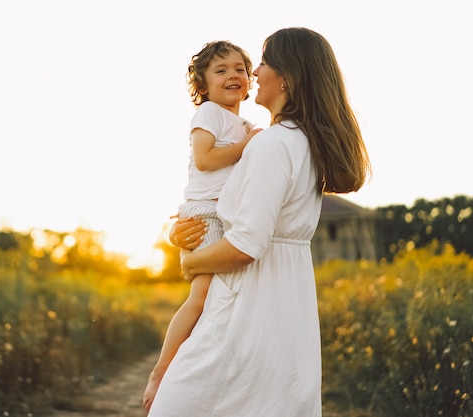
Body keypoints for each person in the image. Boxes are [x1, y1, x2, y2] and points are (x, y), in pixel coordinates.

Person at [146, 27, 371, 417]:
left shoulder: (271, 143)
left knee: (178, 405)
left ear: (286, 76)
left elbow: (245, 244)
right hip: (284, 299)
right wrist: (180, 232)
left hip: (247, 302)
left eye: (261, 63)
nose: (253, 73)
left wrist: (190, 262)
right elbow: (226, 206)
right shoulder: (297, 141)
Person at [142, 40, 262, 412]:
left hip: (225, 217)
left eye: (239, 69)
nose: (233, 75)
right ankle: (161, 371)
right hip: (204, 215)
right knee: (202, 299)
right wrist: (247, 146)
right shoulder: (210, 114)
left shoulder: (245, 124)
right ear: (204, 85)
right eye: (221, 70)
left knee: (221, 301)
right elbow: (205, 160)